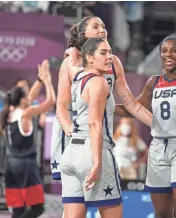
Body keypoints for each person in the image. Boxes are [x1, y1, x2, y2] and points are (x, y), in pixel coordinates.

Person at [116, 35, 176, 217]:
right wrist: (104, 105)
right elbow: (133, 110)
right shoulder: (153, 82)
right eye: (164, 50)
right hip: (157, 147)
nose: (168, 54)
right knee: (162, 212)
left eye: (174, 50)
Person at [51, 15, 152, 181]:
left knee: (102, 196)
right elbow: (61, 106)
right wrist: (70, 130)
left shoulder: (114, 63)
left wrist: (160, 126)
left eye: (103, 26)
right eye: (96, 27)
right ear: (84, 34)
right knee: (75, 200)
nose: (102, 30)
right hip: (74, 136)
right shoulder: (72, 62)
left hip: (100, 135)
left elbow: (132, 104)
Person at [60, 37, 122, 218]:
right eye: (103, 53)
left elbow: (71, 67)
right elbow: (95, 124)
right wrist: (97, 162)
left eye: (110, 52)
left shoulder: (77, 76)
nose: (109, 57)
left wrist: (71, 54)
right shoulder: (99, 82)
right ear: (89, 58)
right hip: (92, 150)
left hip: (71, 151)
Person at [1, 64, 55, 218]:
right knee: (38, 209)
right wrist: (48, 81)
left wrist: (39, 79)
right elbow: (51, 102)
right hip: (26, 166)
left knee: (18, 210)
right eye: (26, 97)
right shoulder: (27, 113)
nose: (30, 99)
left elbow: (29, 97)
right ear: (22, 100)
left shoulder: (8, 114)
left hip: (10, 166)